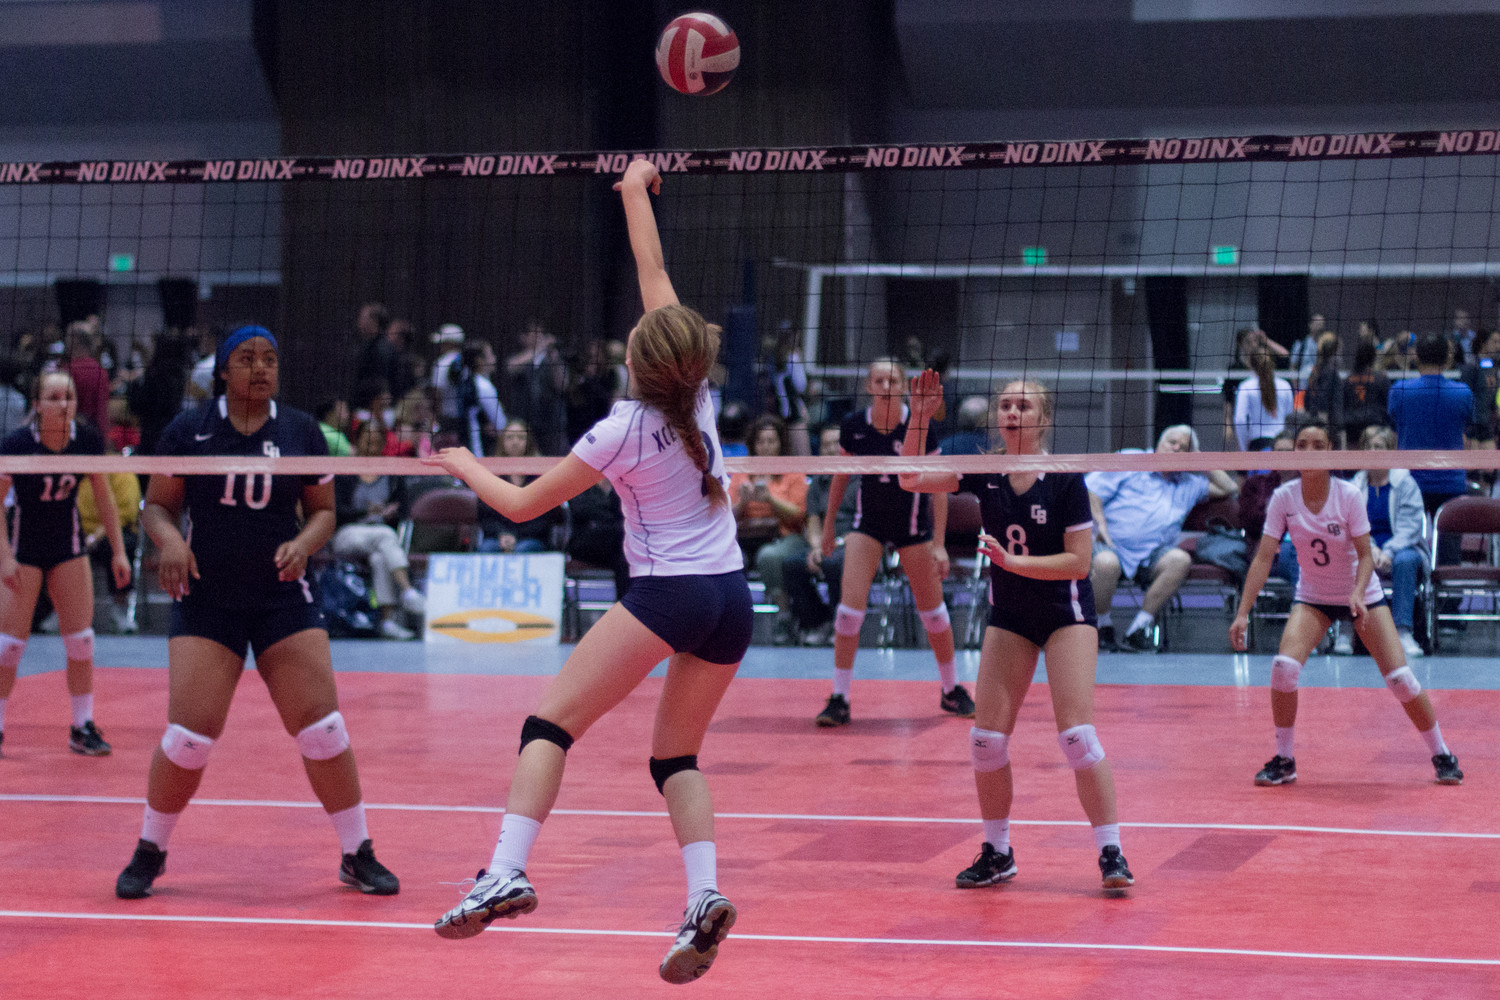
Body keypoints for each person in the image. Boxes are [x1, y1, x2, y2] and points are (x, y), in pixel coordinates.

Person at [424, 159, 747, 985]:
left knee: (549, 726)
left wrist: (462, 463)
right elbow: (654, 270)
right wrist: (636, 190)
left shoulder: (619, 430)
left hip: (671, 595)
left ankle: (506, 870)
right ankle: (704, 895)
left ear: (640, 358)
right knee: (675, 759)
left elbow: (521, 506)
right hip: (730, 596)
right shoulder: (698, 397)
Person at [114, 325, 399, 900]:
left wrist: (305, 543)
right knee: (189, 737)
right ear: (223, 370)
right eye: (247, 359)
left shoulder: (301, 431)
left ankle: (357, 852)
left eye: (269, 358)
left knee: (323, 729)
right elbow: (156, 507)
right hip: (207, 594)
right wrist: (171, 542)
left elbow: (323, 511)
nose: (261, 367)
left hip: (280, 594)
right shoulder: (189, 429)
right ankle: (149, 850)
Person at [898, 370, 1134, 893]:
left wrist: (1012, 562)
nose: (1011, 412)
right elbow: (909, 478)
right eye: (1005, 404)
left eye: (1023, 406)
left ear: (1043, 420)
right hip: (1010, 616)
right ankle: (998, 852)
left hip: (1065, 614)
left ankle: (1110, 850)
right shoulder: (985, 471)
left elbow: (1079, 563)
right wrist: (920, 416)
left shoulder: (1065, 479)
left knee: (1077, 737)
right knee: (985, 741)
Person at [1229, 421, 1462, 788]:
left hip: (1361, 595)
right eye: (1301, 445)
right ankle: (1285, 760)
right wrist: (1242, 612)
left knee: (1401, 680)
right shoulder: (1284, 498)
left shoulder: (1348, 495)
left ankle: (1442, 754)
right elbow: (1262, 558)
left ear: (1331, 452)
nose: (1308, 452)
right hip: (1314, 597)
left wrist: (1356, 591)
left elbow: (1366, 555)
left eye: (1317, 445)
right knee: (1283, 669)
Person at [813, 358, 970, 728]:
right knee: (848, 613)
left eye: (893, 380)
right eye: (879, 380)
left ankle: (951, 689)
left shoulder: (919, 425)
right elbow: (840, 477)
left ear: (903, 385)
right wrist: (828, 527)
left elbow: (939, 489)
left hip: (912, 527)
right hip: (867, 525)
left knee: (934, 614)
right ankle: (839, 697)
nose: (886, 386)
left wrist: (940, 543)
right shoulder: (854, 426)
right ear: (869, 386)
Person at [0, 370, 131, 756]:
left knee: (81, 641)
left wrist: (119, 551)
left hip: (67, 546)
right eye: (54, 398)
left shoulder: (87, 440)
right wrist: (3, 557)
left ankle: (82, 725)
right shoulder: (17, 444)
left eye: (68, 397)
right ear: (37, 405)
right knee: (9, 646)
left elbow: (104, 496)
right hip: (23, 549)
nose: (63, 405)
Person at [1088, 425, 1238, 651]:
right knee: (1106, 563)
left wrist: (1198, 457)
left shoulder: (1191, 484)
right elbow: (1091, 490)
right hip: (1111, 545)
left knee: (1180, 560)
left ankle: (1139, 629)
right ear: (1158, 443)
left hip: (1153, 554)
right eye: (1172, 442)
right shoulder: (1132, 460)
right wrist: (1100, 525)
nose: (1176, 449)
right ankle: (1102, 625)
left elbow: (1230, 487)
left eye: (1184, 448)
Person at [332, 419, 427, 640]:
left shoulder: (391, 472)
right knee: (386, 536)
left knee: (379, 559)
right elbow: (335, 511)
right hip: (348, 534)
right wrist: (365, 511)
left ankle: (387, 622)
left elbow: (404, 509)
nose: (371, 445)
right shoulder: (344, 472)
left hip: (382, 538)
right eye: (367, 440)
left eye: (376, 441)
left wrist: (392, 511)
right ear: (357, 441)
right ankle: (408, 591)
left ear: (383, 443)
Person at [1387, 333, 1471, 567]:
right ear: (1447, 359)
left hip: (1410, 483)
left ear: (1416, 356)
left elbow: (1394, 429)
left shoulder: (1399, 391)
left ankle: (1415, 591)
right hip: (1451, 483)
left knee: (1408, 549)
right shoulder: (1462, 393)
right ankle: (1448, 591)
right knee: (1450, 558)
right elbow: (1467, 428)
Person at [1347, 427, 1428, 659]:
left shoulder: (1406, 483)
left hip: (1401, 547)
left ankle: (1403, 632)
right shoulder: (1354, 485)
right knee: (1347, 559)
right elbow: (1352, 524)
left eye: (1379, 447)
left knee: (1405, 560)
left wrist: (1389, 552)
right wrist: (1371, 549)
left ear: (1391, 451)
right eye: (1368, 447)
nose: (1373, 452)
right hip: (1364, 547)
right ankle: (1346, 632)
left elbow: (1410, 527)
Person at [728, 415, 808, 642]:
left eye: (771, 441)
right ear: (753, 445)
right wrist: (742, 503)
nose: (765, 446)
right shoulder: (742, 473)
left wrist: (770, 499)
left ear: (781, 443)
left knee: (769, 556)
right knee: (729, 559)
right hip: (746, 536)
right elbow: (727, 516)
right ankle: (732, 620)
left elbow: (799, 514)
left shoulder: (792, 472)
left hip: (785, 536)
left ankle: (784, 617)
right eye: (761, 441)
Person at [782, 423, 857, 646]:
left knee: (833, 563)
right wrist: (816, 547)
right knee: (791, 564)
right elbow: (813, 520)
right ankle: (818, 621)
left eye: (836, 444)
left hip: (856, 543)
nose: (831, 449)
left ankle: (840, 625)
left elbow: (867, 523)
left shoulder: (862, 479)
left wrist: (835, 544)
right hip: (826, 544)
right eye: (826, 445)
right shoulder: (817, 483)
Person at [75, 437, 143, 634]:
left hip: (114, 531)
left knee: (119, 547)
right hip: (82, 533)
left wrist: (97, 535)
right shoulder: (78, 473)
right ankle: (57, 609)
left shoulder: (121, 472)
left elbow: (125, 512)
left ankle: (120, 608)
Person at [477, 419, 562, 554]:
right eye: (510, 437)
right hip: (498, 537)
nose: (515, 442)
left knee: (523, 549)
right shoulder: (491, 476)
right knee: (487, 549)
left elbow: (544, 519)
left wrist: (517, 536)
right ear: (502, 441)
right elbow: (486, 517)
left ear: (528, 441)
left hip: (532, 538)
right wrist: (502, 534)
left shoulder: (540, 476)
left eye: (520, 437)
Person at [506, 319, 568, 455]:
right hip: (526, 423)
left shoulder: (553, 357)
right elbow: (511, 368)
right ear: (523, 337)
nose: (539, 337)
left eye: (541, 333)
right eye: (534, 334)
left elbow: (562, 385)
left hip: (552, 424)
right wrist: (539, 349)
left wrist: (554, 358)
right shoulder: (520, 357)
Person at [1232, 345, 1295, 451]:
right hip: (1281, 446)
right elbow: (1289, 418)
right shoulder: (1285, 385)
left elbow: (1240, 420)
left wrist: (1244, 448)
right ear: (1272, 362)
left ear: (1250, 364)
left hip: (1257, 444)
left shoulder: (1246, 386)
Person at [1341, 336, 1391, 446]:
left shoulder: (1347, 380)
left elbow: (1343, 404)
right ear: (1373, 357)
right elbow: (1388, 406)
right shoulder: (1381, 378)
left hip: (1352, 428)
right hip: (1374, 427)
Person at [1459, 328, 1500, 452]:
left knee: (1491, 462)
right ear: (1483, 343)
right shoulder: (1471, 367)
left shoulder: (1494, 367)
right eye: (1495, 342)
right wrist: (1466, 430)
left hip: (1487, 425)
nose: (1498, 346)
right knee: (1475, 463)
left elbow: (1490, 397)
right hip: (1473, 427)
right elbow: (1464, 399)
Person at [1301, 332, 1344, 440]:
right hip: (1327, 428)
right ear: (1334, 352)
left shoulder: (1316, 371)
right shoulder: (1330, 373)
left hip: (1315, 423)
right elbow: (1324, 399)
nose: (1341, 355)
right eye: (1340, 351)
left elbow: (1307, 400)